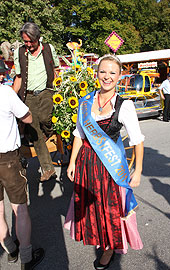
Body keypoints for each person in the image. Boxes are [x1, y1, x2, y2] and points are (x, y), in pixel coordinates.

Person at [65, 54, 144, 269]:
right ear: (96, 73)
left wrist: (137, 171)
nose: (107, 77)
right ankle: (100, 238)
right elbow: (79, 134)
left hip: (109, 168)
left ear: (119, 76)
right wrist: (72, 162)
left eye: (112, 72)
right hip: (86, 164)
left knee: (109, 209)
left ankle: (110, 247)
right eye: (103, 71)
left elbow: (137, 140)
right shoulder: (85, 102)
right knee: (93, 208)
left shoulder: (124, 105)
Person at [0, 59, 44, 269]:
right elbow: (27, 117)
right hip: (7, 159)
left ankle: (10, 249)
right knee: (20, 209)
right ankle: (26, 257)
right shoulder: (6, 93)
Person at [13, 22, 60, 182]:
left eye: (29, 41)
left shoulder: (49, 48)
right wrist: (11, 98)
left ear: (37, 38)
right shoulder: (19, 52)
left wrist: (60, 88)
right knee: (34, 130)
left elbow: (56, 69)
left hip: (47, 91)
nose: (27, 44)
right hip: (29, 96)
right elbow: (18, 78)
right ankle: (48, 169)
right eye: (24, 41)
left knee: (45, 118)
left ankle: (48, 134)